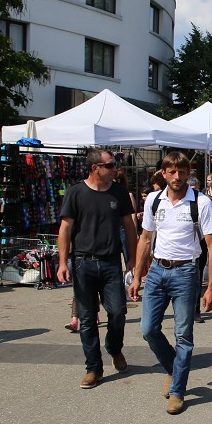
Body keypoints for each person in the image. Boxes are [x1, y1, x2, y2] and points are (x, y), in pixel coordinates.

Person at [129, 151, 212, 415]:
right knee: (148, 329)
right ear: (164, 173)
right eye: (172, 171)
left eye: (182, 171)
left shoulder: (200, 203)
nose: (178, 176)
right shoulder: (154, 201)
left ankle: (178, 390)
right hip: (157, 271)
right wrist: (137, 276)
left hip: (186, 273)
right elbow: (146, 239)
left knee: (184, 336)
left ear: (188, 173)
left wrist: (211, 287)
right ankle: (173, 368)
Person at [57, 149, 137, 389]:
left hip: (111, 262)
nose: (115, 169)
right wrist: (62, 263)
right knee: (87, 319)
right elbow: (65, 229)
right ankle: (94, 368)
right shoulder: (75, 192)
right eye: (111, 165)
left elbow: (130, 228)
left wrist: (131, 259)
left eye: (115, 165)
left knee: (118, 312)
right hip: (83, 262)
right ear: (95, 168)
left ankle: (114, 348)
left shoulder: (119, 192)